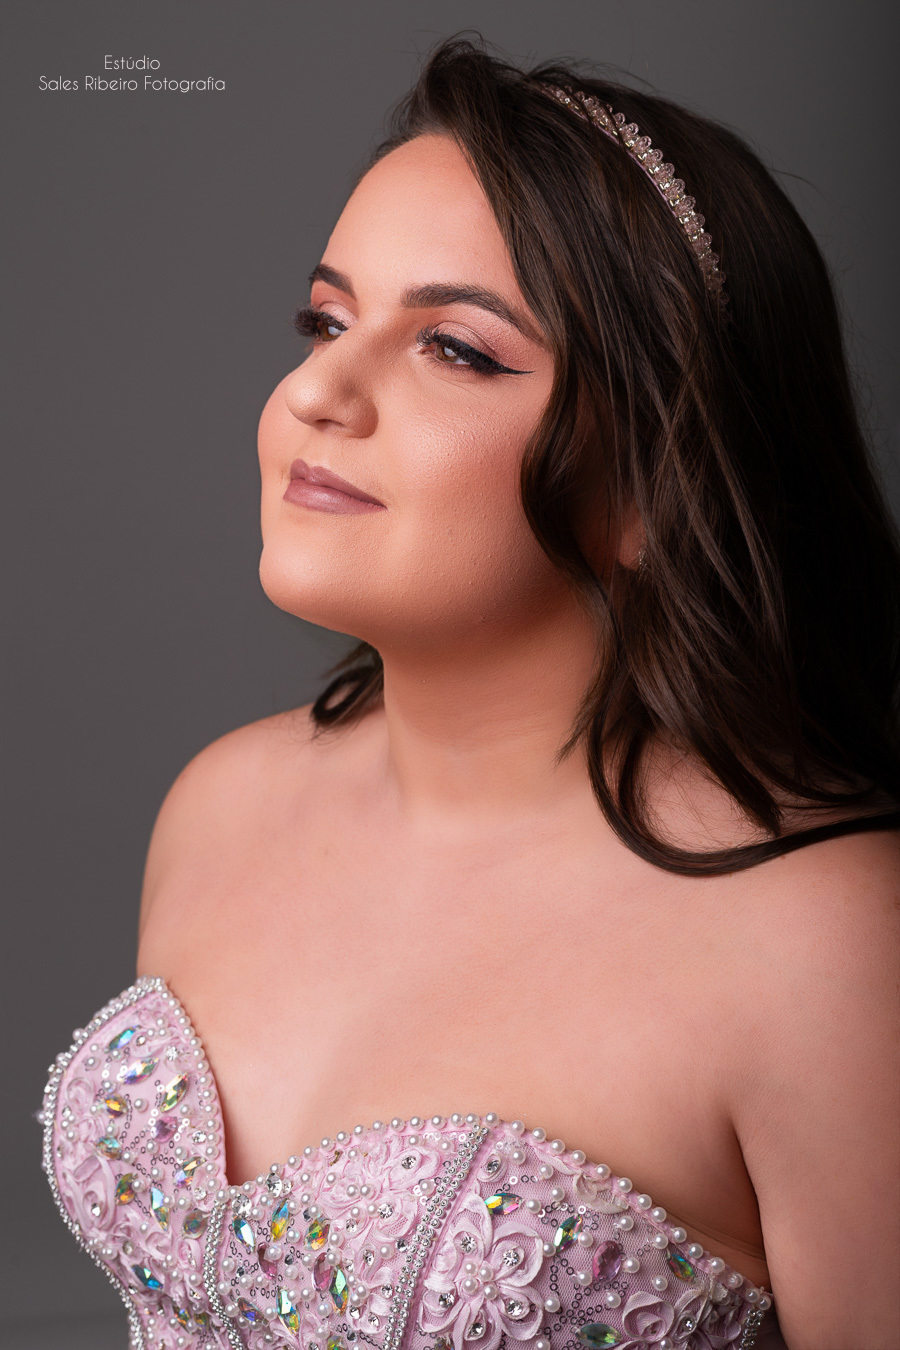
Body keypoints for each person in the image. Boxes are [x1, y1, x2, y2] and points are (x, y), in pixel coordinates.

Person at [41, 34, 899, 1350]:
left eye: (451, 347)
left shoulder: (828, 942)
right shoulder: (219, 804)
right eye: (327, 321)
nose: (316, 391)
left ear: (655, 479)